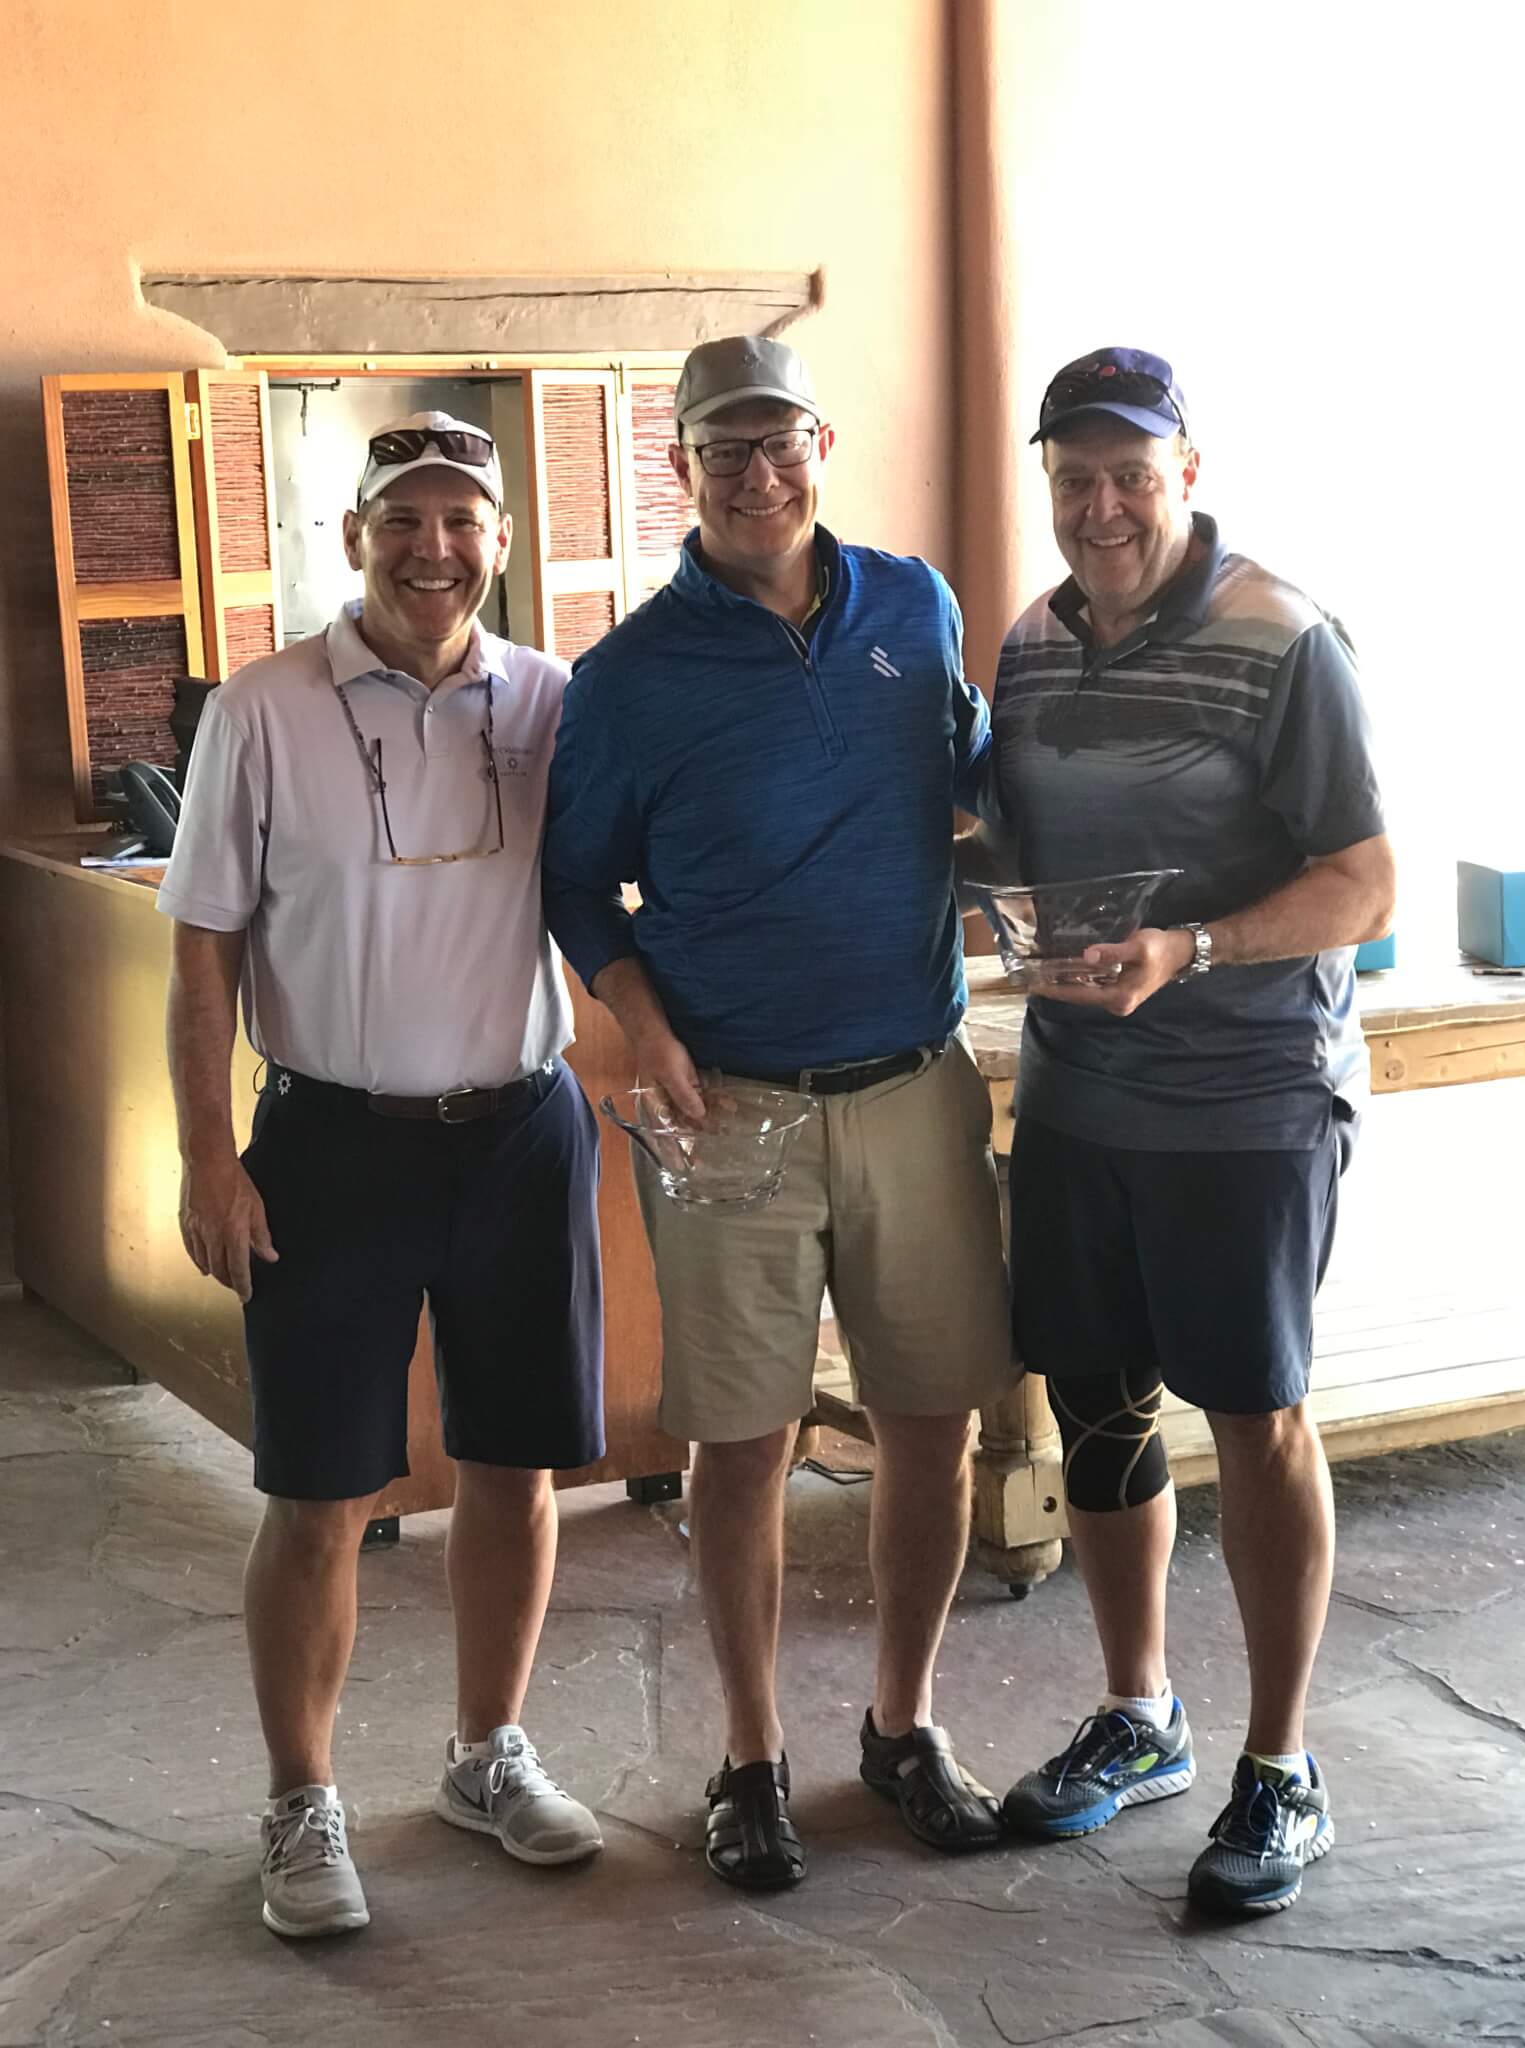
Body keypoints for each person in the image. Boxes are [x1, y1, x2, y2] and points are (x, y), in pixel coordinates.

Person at [541, 335, 1017, 1891]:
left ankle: (904, 1722)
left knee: (932, 1424)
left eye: (780, 443)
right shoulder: (624, 678)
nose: (758, 477)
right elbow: (575, 885)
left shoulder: (915, 605)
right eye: (722, 451)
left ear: (825, 443)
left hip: (911, 1086)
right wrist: (645, 1031)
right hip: (728, 1107)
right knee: (739, 1447)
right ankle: (752, 1755)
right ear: (677, 468)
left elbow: (975, 780)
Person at [159, 412, 606, 1940]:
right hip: (334, 1145)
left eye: (462, 520)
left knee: (517, 1463)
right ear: (353, 535)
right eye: (402, 519)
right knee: (316, 1488)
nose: (435, 548)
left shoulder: (549, 701)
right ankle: (300, 1797)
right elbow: (203, 944)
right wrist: (208, 1158)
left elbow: (631, 885)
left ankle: (488, 1755)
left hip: (521, 1131)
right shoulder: (267, 709)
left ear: (498, 538)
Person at [962, 347, 1395, 1915]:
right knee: (1099, 1408)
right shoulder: (1026, 643)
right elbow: (1023, 844)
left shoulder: (1285, 637)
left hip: (1249, 1104)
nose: (1099, 506)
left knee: (1258, 1413)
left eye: (1128, 475)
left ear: (1186, 472)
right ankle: (1142, 1714)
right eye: (1072, 478)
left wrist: (1194, 951)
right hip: (1081, 1098)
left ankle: (1282, 1768)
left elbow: (1365, 880)